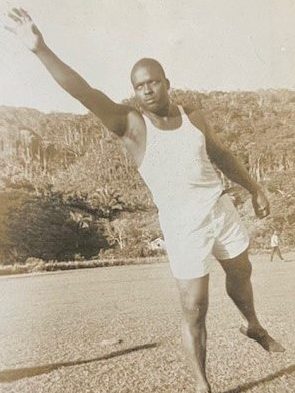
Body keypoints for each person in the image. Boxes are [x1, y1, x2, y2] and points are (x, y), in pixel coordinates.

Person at [4, 8, 285, 393]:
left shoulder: (194, 117)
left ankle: (252, 324)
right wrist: (40, 49)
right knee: (194, 309)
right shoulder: (131, 126)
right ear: (134, 92)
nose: (148, 89)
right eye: (140, 86)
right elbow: (84, 92)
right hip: (184, 226)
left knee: (241, 272)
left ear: (167, 83)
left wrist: (254, 187)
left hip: (220, 210)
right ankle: (202, 385)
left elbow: (221, 154)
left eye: (154, 82)